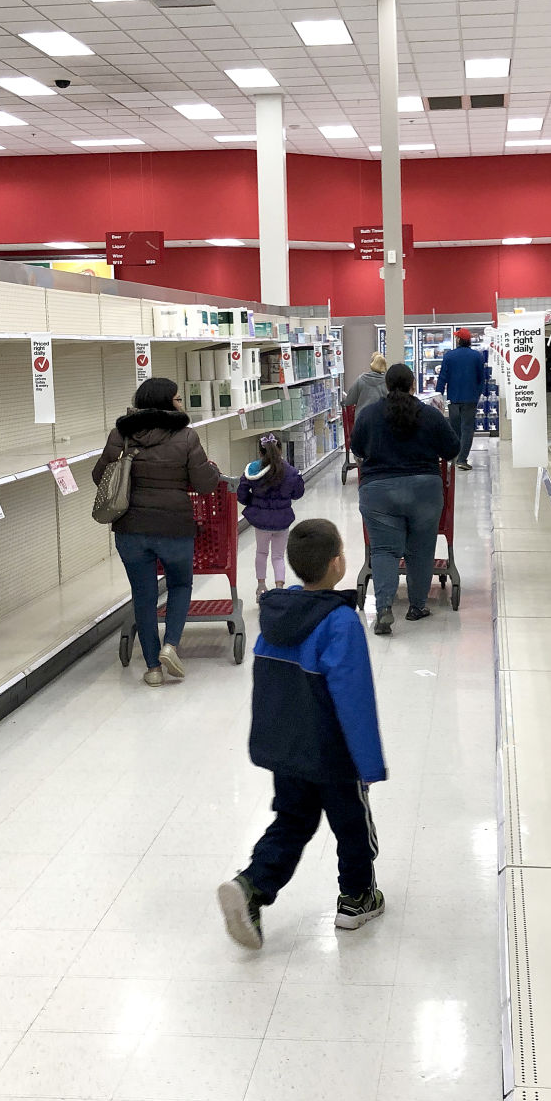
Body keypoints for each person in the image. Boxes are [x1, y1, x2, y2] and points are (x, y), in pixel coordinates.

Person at [217, 519, 386, 949]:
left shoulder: (277, 614)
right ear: (337, 564)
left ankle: (252, 886)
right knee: (351, 824)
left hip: (287, 748)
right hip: (331, 753)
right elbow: (355, 700)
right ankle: (356, 897)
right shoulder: (340, 622)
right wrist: (367, 763)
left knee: (293, 820)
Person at [91, 376, 222, 688]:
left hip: (130, 529)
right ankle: (170, 646)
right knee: (179, 585)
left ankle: (152, 668)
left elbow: (100, 476)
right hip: (174, 527)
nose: (181, 404)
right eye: (177, 399)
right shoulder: (186, 437)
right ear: (165, 402)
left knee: (144, 596)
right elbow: (205, 484)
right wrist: (212, 471)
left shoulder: (119, 434)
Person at [349, 363, 460, 636]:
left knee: (384, 550)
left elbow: (357, 448)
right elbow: (453, 448)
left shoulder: (369, 414)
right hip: (424, 490)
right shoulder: (431, 415)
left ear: (386, 386)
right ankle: (417, 606)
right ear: (413, 385)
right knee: (420, 550)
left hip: (379, 491)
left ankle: (384, 608)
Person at [238, 433, 306, 601]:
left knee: (261, 553)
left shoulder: (253, 469)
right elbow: (298, 493)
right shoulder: (290, 471)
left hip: (261, 521)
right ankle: (280, 589)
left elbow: (242, 493)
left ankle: (261, 587)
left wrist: (251, 502)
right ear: (280, 449)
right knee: (278, 556)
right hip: (282, 520)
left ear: (260, 452)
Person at [434, 327, 489, 471]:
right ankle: (462, 459)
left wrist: (437, 395)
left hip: (453, 398)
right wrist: (477, 394)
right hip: (470, 399)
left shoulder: (449, 356)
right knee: (467, 429)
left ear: (459, 340)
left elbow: (442, 378)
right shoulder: (477, 356)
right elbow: (481, 379)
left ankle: (454, 456)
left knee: (454, 429)